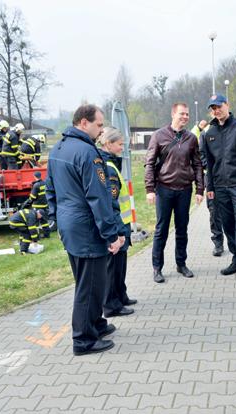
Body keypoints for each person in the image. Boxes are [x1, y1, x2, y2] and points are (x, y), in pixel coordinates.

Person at [46, 104, 124, 356]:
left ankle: (95, 324)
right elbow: (98, 198)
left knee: (87, 281)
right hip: (86, 227)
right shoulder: (88, 153)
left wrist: (55, 219)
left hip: (70, 226)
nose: (101, 130)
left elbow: (50, 190)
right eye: (99, 125)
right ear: (83, 122)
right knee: (89, 286)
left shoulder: (58, 149)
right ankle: (83, 340)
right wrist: (112, 233)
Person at [200, 94, 236, 285]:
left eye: (219, 106)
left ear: (227, 105)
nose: (216, 110)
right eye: (213, 108)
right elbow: (208, 162)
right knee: (227, 224)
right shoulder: (209, 132)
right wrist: (210, 186)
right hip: (220, 187)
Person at [144, 102, 204, 283]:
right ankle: (157, 268)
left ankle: (181, 263)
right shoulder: (159, 136)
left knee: (182, 229)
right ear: (173, 114)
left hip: (184, 190)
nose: (185, 117)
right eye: (182, 114)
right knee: (161, 230)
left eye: (187, 114)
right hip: (164, 189)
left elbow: (198, 165)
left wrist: (199, 189)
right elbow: (149, 162)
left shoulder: (191, 138)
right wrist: (149, 189)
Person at [97, 127, 138, 317]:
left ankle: (121, 296)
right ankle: (111, 305)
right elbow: (111, 202)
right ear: (108, 144)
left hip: (122, 223)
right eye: (120, 144)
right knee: (113, 268)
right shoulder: (110, 168)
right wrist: (118, 230)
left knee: (121, 265)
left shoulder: (111, 164)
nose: (123, 148)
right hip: (118, 224)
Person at [193, 117, 224, 256]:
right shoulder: (206, 133)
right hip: (212, 179)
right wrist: (210, 168)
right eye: (214, 109)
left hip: (232, 180)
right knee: (214, 212)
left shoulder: (234, 129)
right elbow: (201, 155)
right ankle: (218, 243)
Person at [25, 171, 50, 238]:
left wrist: (27, 202)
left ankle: (36, 236)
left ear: (35, 176)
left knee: (35, 222)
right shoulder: (44, 183)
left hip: (37, 206)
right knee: (44, 220)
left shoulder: (36, 185)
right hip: (44, 205)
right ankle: (47, 234)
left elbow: (33, 197)